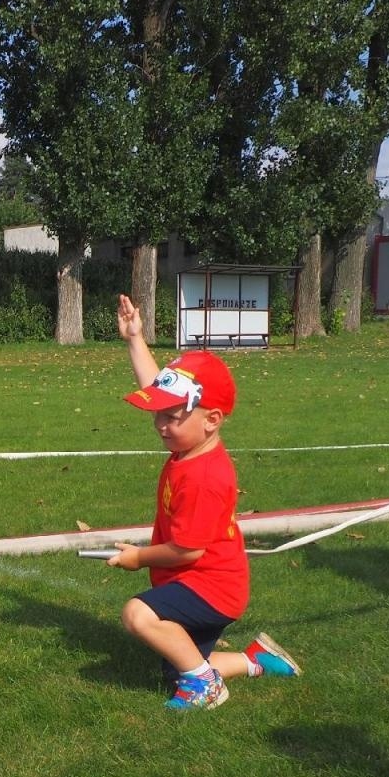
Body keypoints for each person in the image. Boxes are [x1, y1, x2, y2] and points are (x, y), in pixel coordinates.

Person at [99, 294, 300, 711]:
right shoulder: (193, 449)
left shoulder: (204, 476)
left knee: (138, 615)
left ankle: (207, 687)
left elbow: (187, 549)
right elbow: (156, 390)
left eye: (172, 417)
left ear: (211, 420)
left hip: (212, 588)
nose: (160, 424)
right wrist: (135, 339)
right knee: (181, 669)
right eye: (159, 415)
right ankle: (254, 661)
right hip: (199, 581)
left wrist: (138, 558)